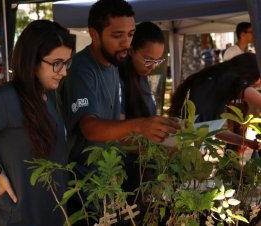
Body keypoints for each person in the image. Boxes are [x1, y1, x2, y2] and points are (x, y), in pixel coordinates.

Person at [60, 0, 180, 224]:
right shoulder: (81, 69)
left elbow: (115, 131)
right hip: (83, 187)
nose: (126, 43)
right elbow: (90, 127)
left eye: (131, 34)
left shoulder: (114, 67)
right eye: (117, 35)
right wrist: (140, 125)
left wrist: (162, 142)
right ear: (94, 34)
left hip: (110, 180)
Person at [0, 19, 75, 226]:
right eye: (56, 63)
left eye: (67, 62)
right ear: (32, 60)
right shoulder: (4, 98)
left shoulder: (49, 95)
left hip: (51, 217)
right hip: (15, 218)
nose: (64, 71)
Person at [118, 21, 167, 224]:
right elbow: (119, 139)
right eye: (148, 60)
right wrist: (160, 147)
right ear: (130, 50)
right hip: (127, 179)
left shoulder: (142, 78)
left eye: (158, 61)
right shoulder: (119, 80)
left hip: (145, 174)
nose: (153, 66)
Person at [168, 52, 261, 151]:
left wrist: (247, 143)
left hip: (178, 141)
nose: (258, 86)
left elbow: (215, 130)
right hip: (185, 145)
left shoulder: (215, 79)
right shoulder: (229, 78)